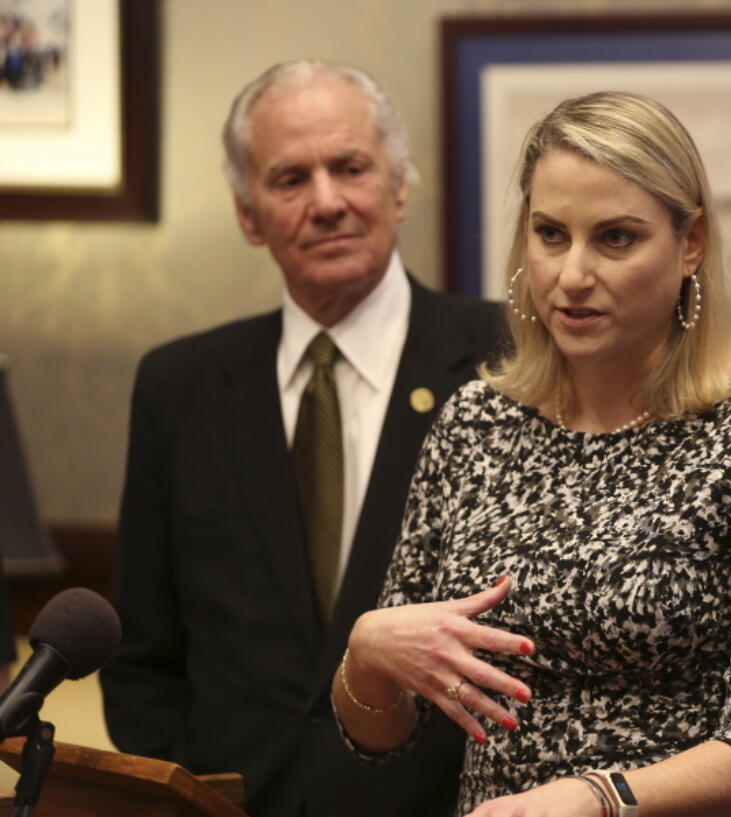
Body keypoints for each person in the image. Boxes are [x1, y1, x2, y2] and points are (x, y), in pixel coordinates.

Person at [332, 91, 731, 817]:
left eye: (615, 238)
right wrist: (365, 656)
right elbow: (383, 736)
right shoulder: (477, 422)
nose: (572, 274)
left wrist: (600, 798)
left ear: (692, 242)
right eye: (551, 234)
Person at [100, 60, 503, 817]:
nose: (326, 201)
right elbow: (143, 655)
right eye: (290, 179)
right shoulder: (179, 386)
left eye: (350, 166)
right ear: (249, 214)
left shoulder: (507, 363)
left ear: (399, 185)